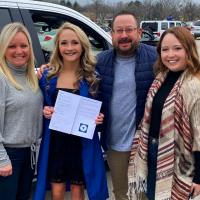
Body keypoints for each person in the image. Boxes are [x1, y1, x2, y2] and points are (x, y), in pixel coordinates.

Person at [33, 22, 108, 200]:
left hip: (81, 143)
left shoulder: (92, 77)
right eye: (64, 43)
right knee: (57, 192)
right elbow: (37, 106)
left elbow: (100, 109)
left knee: (77, 190)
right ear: (57, 46)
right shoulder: (47, 77)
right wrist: (45, 111)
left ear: (82, 45)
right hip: (56, 143)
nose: (69, 48)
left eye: (75, 43)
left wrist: (99, 118)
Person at [128, 26, 200, 200]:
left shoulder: (194, 86)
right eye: (165, 49)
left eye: (177, 48)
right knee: (154, 195)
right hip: (153, 151)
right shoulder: (161, 77)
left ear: (189, 50)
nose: (170, 55)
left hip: (180, 160)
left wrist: (199, 178)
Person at [96, 11, 157, 200]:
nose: (124, 35)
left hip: (147, 144)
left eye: (129, 30)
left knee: (144, 194)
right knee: (122, 193)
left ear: (139, 33)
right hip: (115, 145)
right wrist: (46, 70)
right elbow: (73, 74)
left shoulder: (156, 58)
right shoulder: (99, 62)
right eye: (119, 30)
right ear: (112, 33)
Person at [0, 22, 43, 200]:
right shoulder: (2, 78)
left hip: (29, 153)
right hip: (9, 155)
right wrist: (2, 159)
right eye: (12, 46)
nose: (19, 51)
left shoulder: (30, 76)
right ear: (3, 48)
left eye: (24, 45)